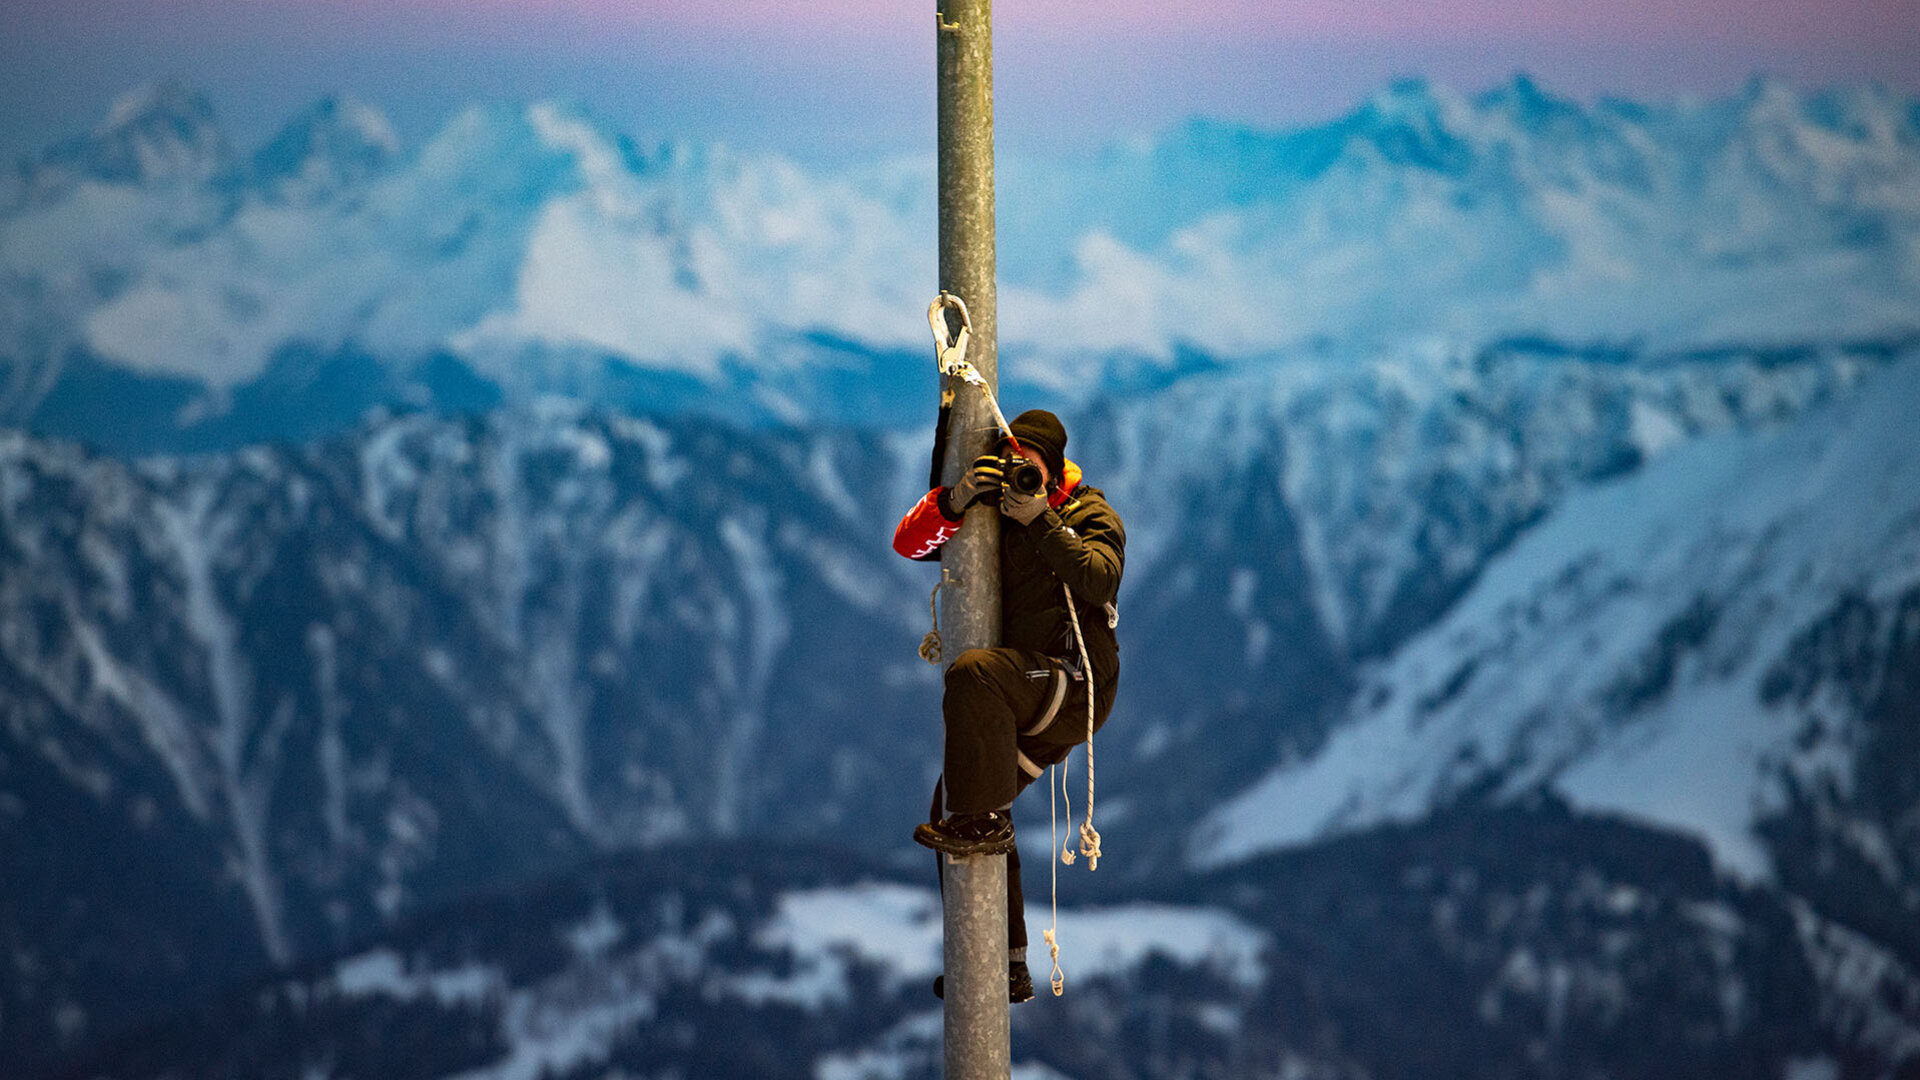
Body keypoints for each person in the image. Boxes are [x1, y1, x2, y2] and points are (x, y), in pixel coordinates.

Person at [890, 408, 1124, 1003]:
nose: (1021, 476)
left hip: (1075, 684)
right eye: (1012, 463)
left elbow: (1100, 579)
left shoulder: (1088, 513)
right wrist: (956, 498)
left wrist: (1041, 519)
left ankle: (981, 828)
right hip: (1033, 687)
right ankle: (1005, 963)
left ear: (1054, 467)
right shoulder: (993, 505)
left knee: (976, 677)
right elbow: (909, 544)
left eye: (1032, 467)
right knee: (960, 798)